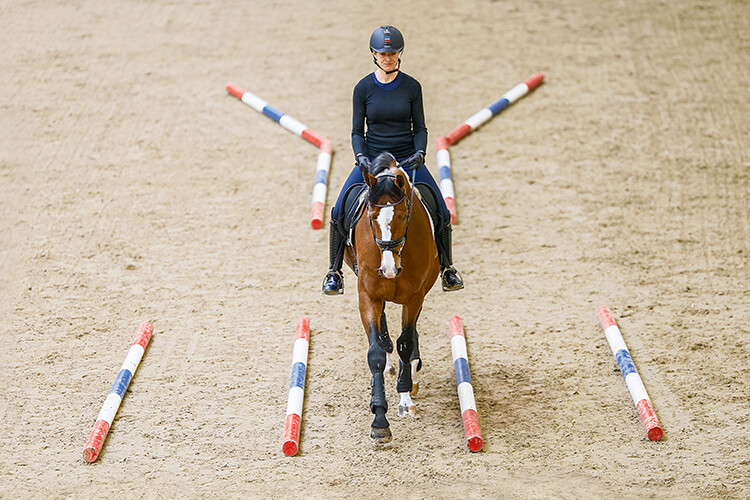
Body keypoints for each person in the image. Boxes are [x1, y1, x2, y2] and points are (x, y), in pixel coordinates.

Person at [322, 25, 464, 295]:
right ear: (374, 54)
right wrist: (361, 156)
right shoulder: (363, 88)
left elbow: (420, 127)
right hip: (373, 160)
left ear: (400, 53)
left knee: (442, 211)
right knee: (339, 209)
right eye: (383, 53)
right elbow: (356, 131)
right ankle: (334, 271)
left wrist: (419, 152)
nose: (388, 57)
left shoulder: (412, 87)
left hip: (406, 160)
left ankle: (448, 268)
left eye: (393, 52)